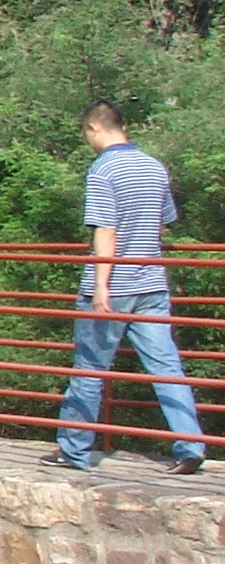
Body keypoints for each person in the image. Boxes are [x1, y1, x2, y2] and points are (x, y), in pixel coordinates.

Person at [43, 101, 206, 475]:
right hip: (151, 283)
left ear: (94, 129)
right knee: (166, 367)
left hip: (113, 287)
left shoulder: (103, 169)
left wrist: (101, 284)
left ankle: (74, 449)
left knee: (90, 369)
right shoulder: (154, 167)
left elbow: (106, 229)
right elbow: (161, 224)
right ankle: (190, 445)